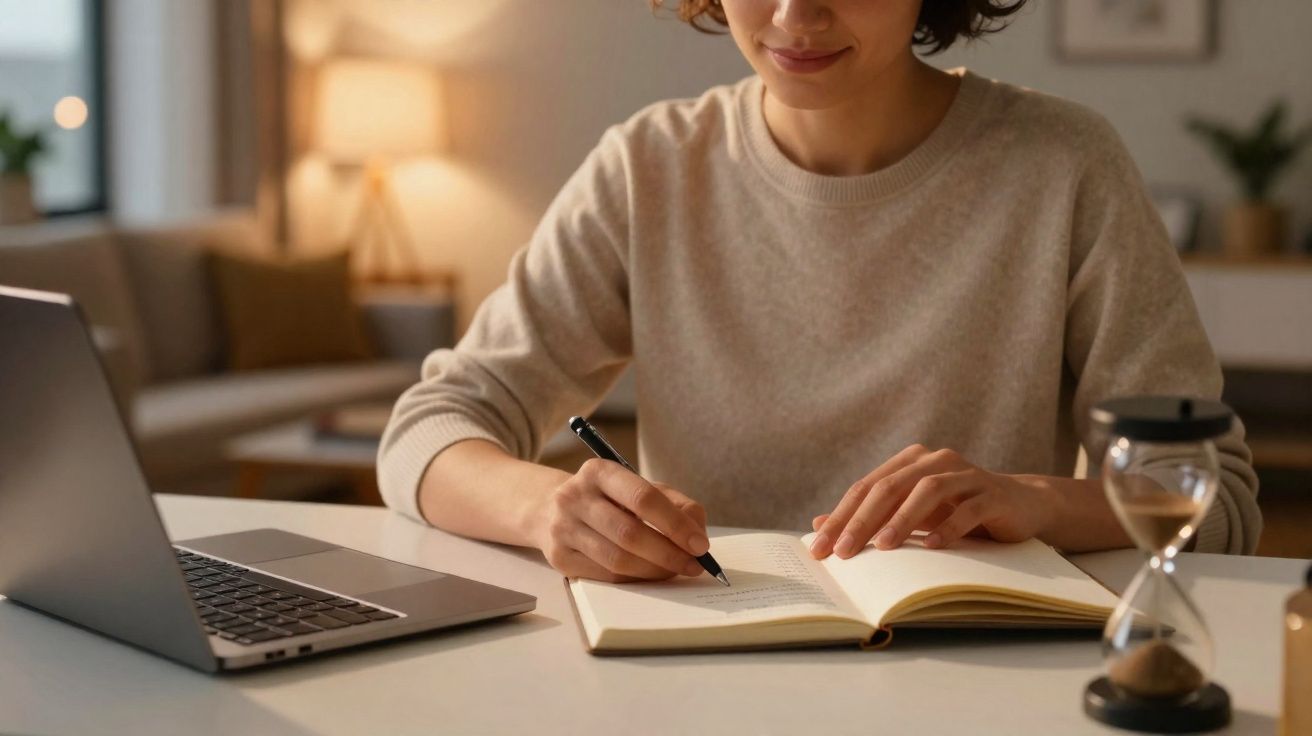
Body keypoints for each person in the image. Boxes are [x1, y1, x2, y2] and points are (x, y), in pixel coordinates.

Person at [378, 0, 1262, 583]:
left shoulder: (1065, 165)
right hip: (696, 669)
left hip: (968, 677)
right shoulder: (650, 167)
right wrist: (546, 508)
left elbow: (1216, 502)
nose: (797, 16)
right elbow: (431, 426)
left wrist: (1036, 499)